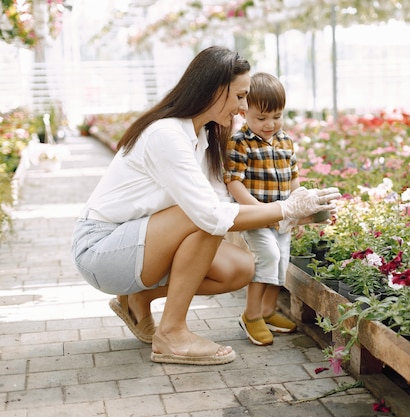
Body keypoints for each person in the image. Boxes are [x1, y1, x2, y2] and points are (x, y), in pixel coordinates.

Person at [70, 46, 340, 366]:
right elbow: (212, 216)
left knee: (239, 268)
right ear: (214, 90)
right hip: (101, 251)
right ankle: (171, 334)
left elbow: (225, 206)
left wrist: (297, 216)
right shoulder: (166, 134)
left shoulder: (206, 137)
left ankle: (138, 300)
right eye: (240, 96)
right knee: (204, 216)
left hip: (139, 244)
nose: (243, 108)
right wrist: (286, 208)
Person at [224, 72, 309, 346]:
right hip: (256, 216)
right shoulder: (240, 142)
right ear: (244, 112)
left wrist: (299, 204)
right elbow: (234, 182)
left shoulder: (285, 141)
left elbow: (293, 176)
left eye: (277, 116)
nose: (270, 124)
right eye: (261, 118)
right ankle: (251, 315)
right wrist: (260, 210)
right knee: (267, 257)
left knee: (281, 263)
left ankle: (268, 311)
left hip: (284, 217)